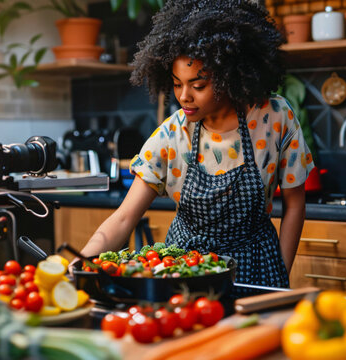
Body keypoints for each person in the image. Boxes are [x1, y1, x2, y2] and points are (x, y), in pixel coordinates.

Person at [78, 0, 314, 293]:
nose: (184, 96)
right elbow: (125, 216)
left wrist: (280, 271)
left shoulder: (274, 116)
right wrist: (81, 264)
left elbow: (294, 204)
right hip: (186, 274)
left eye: (198, 86)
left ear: (230, 75)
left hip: (256, 269)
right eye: (177, 84)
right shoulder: (172, 134)